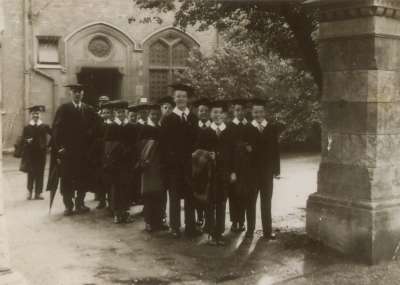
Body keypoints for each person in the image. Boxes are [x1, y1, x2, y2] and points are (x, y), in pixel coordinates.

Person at [160, 83, 200, 238]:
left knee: (190, 195)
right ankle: (175, 227)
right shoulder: (168, 119)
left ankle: (191, 226)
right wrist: (168, 163)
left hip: (190, 165)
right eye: (178, 96)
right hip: (174, 166)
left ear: (187, 98)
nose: (181, 99)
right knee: (175, 196)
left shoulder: (193, 118)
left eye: (183, 96)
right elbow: (163, 144)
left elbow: (197, 141)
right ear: (174, 99)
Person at [52, 82, 98, 216]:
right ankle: (68, 205)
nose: (77, 94)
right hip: (68, 151)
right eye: (75, 92)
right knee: (67, 178)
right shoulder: (64, 109)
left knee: (82, 177)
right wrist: (60, 147)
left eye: (80, 92)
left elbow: (97, 125)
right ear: (70, 93)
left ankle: (80, 203)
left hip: (83, 152)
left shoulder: (88, 109)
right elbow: (56, 129)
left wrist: (91, 134)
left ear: (83, 94)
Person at [195, 100, 235, 246]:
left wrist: (233, 172)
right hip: (209, 174)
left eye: (220, 113)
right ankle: (211, 234)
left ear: (224, 115)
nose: (217, 115)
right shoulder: (205, 132)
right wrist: (207, 155)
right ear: (210, 114)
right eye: (215, 112)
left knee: (222, 203)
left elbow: (233, 154)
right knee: (210, 203)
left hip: (223, 173)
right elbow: (197, 152)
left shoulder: (229, 131)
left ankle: (219, 232)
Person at [246, 98, 280, 240]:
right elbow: (242, 148)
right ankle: (250, 230)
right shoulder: (247, 128)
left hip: (266, 172)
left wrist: (276, 169)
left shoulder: (271, 128)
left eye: (260, 111)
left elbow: (276, 150)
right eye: (255, 112)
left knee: (266, 201)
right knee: (250, 202)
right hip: (252, 172)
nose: (258, 114)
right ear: (252, 113)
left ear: (264, 113)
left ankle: (267, 231)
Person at [103, 100, 137, 224]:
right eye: (118, 112)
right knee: (116, 188)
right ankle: (117, 213)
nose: (121, 114)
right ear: (115, 113)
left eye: (123, 112)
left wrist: (130, 151)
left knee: (127, 187)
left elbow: (135, 143)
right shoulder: (111, 126)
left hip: (127, 163)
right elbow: (108, 145)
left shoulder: (130, 126)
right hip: (116, 163)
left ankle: (126, 213)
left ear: (126, 112)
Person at [138, 103, 169, 232]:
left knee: (160, 194)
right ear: (149, 115)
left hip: (160, 165)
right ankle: (148, 221)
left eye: (157, 114)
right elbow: (140, 146)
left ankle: (159, 220)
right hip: (149, 165)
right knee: (149, 193)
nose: (155, 116)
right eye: (153, 114)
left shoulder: (161, 128)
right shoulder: (144, 128)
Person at [228, 98, 252, 233]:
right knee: (233, 195)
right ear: (233, 111)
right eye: (237, 110)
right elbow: (228, 150)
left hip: (246, 168)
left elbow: (253, 147)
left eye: (242, 110)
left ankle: (242, 221)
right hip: (234, 167)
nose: (239, 112)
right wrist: (231, 170)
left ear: (245, 111)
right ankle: (234, 221)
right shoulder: (230, 126)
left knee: (244, 195)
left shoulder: (249, 126)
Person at [20, 105, 51, 200]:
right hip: (31, 154)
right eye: (34, 114)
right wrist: (26, 141)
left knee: (40, 173)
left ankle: (38, 193)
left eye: (37, 114)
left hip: (41, 154)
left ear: (40, 115)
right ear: (31, 115)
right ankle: (29, 192)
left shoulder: (44, 126)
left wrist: (48, 146)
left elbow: (54, 134)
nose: (36, 116)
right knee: (31, 173)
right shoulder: (27, 127)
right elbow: (22, 140)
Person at [193, 97, 211, 228]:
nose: (203, 113)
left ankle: (209, 218)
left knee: (210, 191)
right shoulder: (194, 128)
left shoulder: (213, 128)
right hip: (197, 166)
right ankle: (199, 216)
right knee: (198, 191)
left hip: (210, 166)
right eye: (201, 111)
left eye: (205, 110)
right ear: (197, 113)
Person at [94, 103, 113, 209]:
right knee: (100, 179)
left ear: (110, 114)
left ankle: (110, 201)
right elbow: (95, 137)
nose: (105, 115)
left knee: (109, 179)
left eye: (107, 113)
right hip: (100, 154)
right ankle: (101, 200)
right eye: (103, 113)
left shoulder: (112, 125)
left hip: (109, 154)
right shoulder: (98, 125)